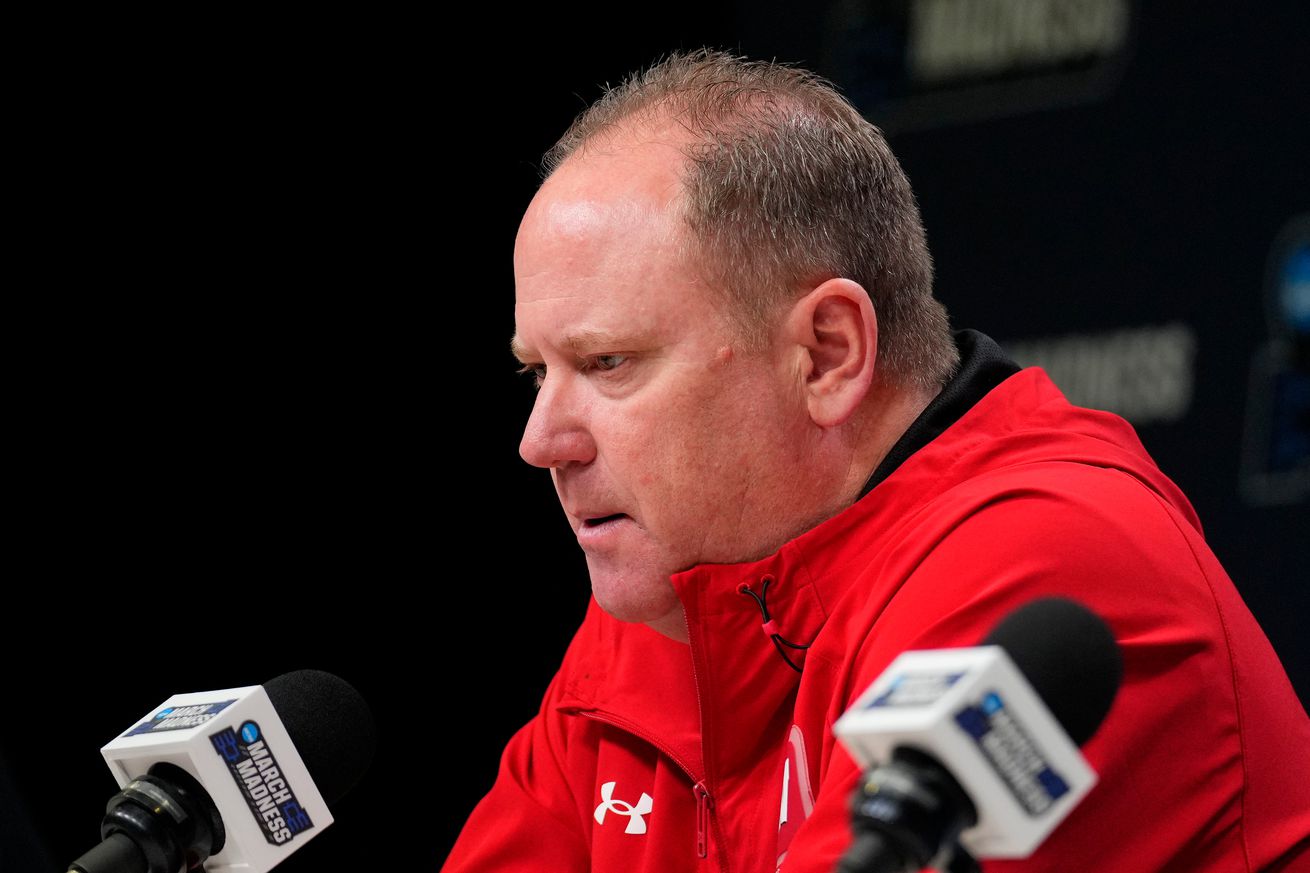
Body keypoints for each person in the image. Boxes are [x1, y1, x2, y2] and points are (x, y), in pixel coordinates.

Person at [445, 50, 1310, 872]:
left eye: (608, 363)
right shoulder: (666, 607)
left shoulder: (1050, 564)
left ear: (826, 354)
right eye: (535, 371)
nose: (539, 439)